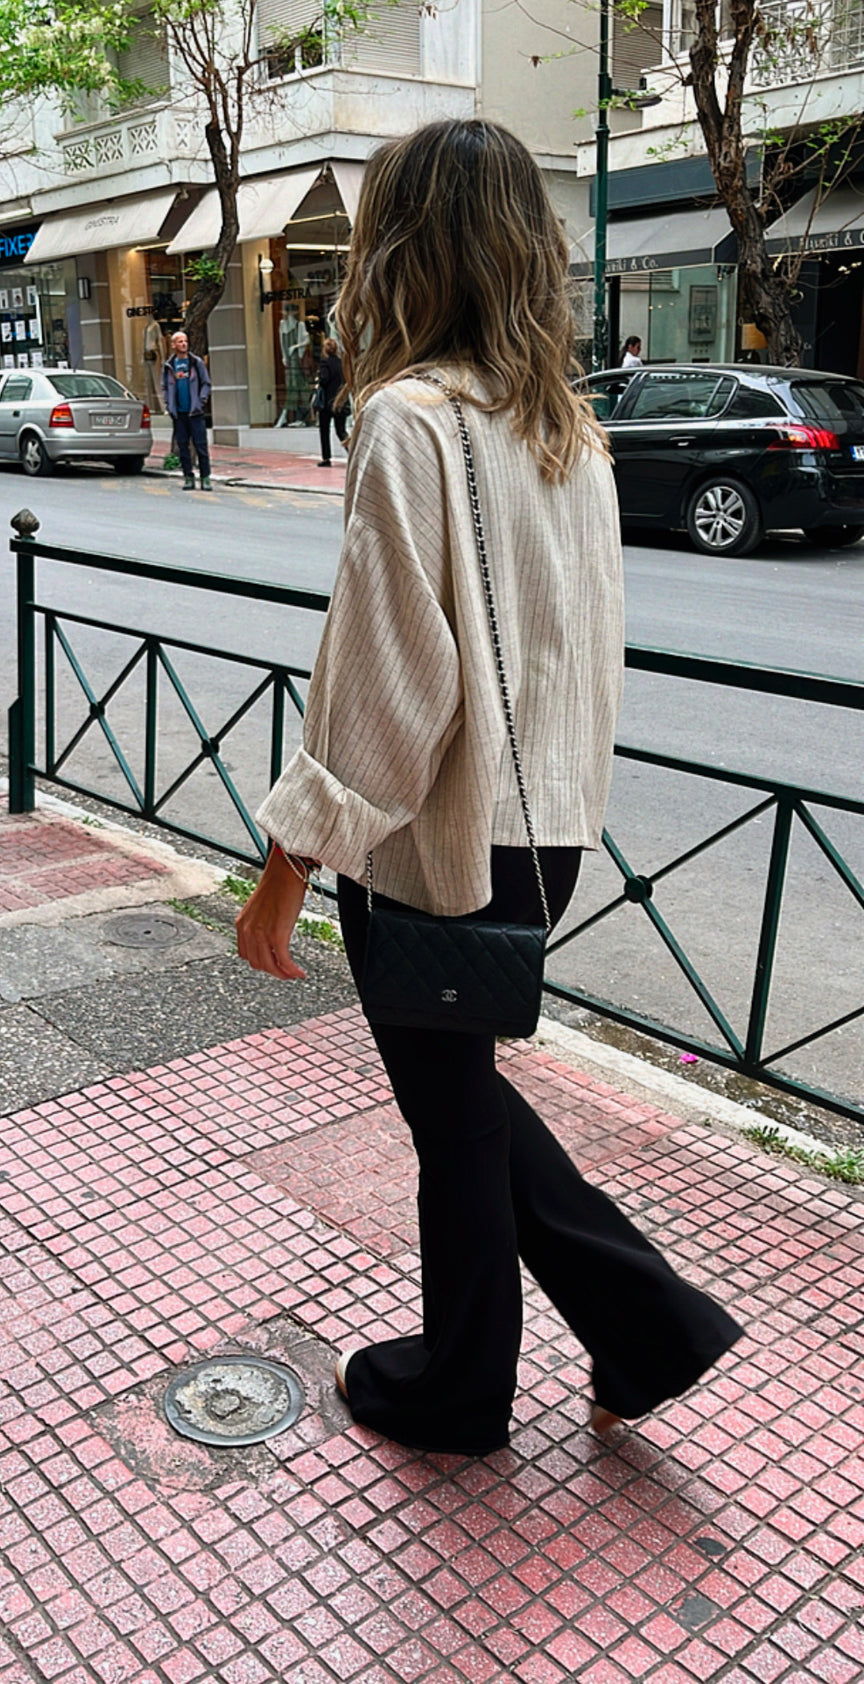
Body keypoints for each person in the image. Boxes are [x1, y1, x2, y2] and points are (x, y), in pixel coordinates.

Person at [235, 118, 742, 1458]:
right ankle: (640, 1331)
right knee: (461, 1101)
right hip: (547, 828)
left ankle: (470, 1386)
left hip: (436, 834)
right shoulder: (567, 428)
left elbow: (390, 677)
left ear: (404, 249)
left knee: (451, 1117)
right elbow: (582, 649)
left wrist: (291, 859)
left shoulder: (410, 422)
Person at [161, 329, 212, 489]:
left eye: (185, 341)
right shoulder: (170, 365)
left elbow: (206, 383)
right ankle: (188, 477)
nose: (184, 344)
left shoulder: (195, 362)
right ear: (173, 345)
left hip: (195, 412)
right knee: (183, 446)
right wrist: (169, 404)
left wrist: (202, 400)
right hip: (179, 413)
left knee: (200, 446)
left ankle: (205, 477)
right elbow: (165, 386)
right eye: (180, 342)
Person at [313, 337, 348, 466]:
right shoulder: (341, 363)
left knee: (324, 430)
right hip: (340, 400)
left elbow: (324, 378)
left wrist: (319, 379)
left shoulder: (324, 363)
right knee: (341, 430)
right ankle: (353, 452)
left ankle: (326, 458)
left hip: (327, 402)